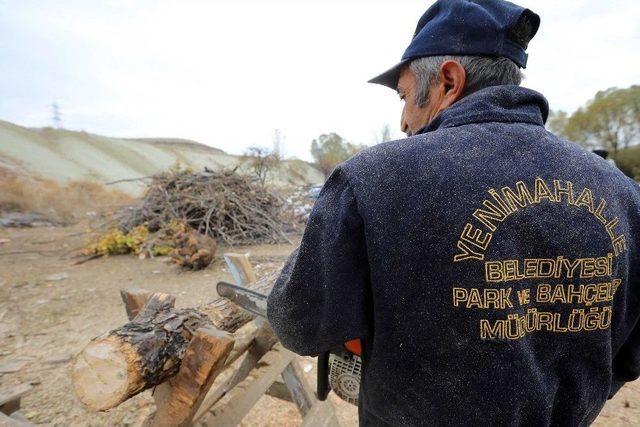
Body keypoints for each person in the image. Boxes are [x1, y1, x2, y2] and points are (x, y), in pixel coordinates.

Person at [267, 0, 640, 425]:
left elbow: (300, 324)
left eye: (405, 97)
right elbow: (631, 351)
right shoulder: (625, 195)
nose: (404, 121)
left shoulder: (372, 180)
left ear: (448, 80)